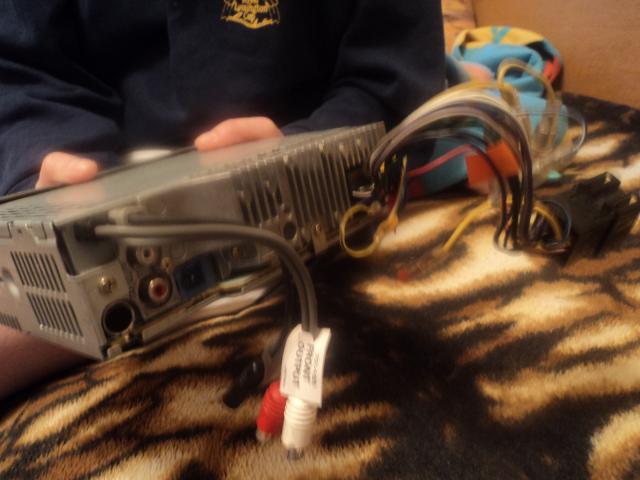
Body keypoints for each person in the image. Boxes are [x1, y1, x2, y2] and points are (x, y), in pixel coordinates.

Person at [0, 0, 445, 398]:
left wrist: (301, 149)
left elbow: (393, 79)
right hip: (93, 187)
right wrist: (54, 170)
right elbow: (22, 70)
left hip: (307, 163)